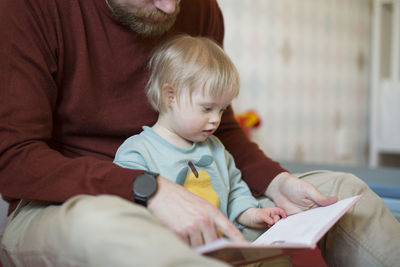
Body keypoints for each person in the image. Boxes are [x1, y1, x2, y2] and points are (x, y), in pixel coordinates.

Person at [0, 0, 398, 266]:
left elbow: (222, 129)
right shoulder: (30, 9)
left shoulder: (200, 8)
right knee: (109, 226)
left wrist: (277, 183)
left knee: (346, 193)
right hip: (69, 203)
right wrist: (147, 188)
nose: (171, 7)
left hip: (204, 199)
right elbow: (14, 158)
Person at [113, 35, 287, 234]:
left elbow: (235, 192)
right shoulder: (136, 152)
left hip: (221, 244)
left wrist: (252, 214)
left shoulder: (217, 149)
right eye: (207, 108)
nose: (216, 119)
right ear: (170, 96)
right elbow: (128, 207)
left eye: (222, 110)